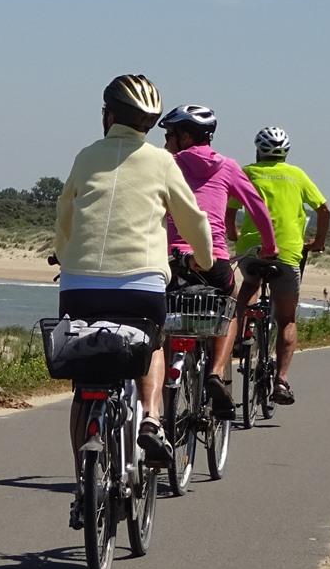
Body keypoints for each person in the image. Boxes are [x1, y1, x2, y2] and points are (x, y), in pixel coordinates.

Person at [54, 74, 214, 491]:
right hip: (141, 287)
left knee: (85, 383)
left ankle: (83, 484)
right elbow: (193, 218)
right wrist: (205, 259)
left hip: (78, 286)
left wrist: (65, 252)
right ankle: (150, 418)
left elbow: (66, 213)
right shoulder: (162, 162)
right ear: (148, 123)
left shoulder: (86, 156)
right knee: (153, 343)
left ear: (108, 115)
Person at [158, 104, 278, 417]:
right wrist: (270, 247)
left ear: (184, 137)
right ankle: (215, 371)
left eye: (169, 135)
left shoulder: (166, 164)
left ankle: (167, 405)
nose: (165, 142)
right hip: (213, 259)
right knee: (231, 305)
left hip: (172, 258)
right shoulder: (228, 166)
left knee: (169, 316)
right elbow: (258, 208)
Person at [227, 125, 330, 405]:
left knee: (249, 283)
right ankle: (281, 381)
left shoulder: (247, 172)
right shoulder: (297, 175)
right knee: (286, 319)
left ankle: (241, 331)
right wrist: (318, 242)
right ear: (286, 152)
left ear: (258, 149)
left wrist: (234, 234)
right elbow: (323, 208)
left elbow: (230, 209)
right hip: (287, 253)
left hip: (253, 250)